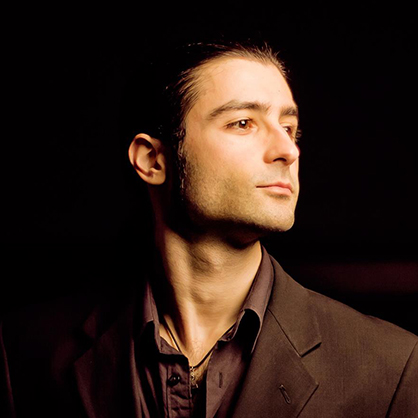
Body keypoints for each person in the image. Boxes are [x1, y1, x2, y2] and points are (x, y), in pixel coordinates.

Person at [1, 39, 417, 418]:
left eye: (290, 128)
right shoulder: (27, 351)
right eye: (243, 123)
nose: (287, 150)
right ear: (153, 161)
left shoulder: (392, 366)